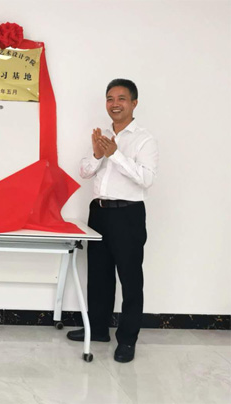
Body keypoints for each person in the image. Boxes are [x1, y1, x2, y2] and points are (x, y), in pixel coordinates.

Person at [67, 79, 158, 363]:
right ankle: (98, 330)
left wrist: (115, 155)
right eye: (110, 98)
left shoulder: (144, 139)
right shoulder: (103, 135)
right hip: (100, 213)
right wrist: (97, 154)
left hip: (128, 214)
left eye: (121, 98)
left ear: (134, 103)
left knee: (130, 278)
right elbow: (84, 171)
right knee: (99, 274)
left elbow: (146, 179)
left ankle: (127, 340)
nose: (114, 104)